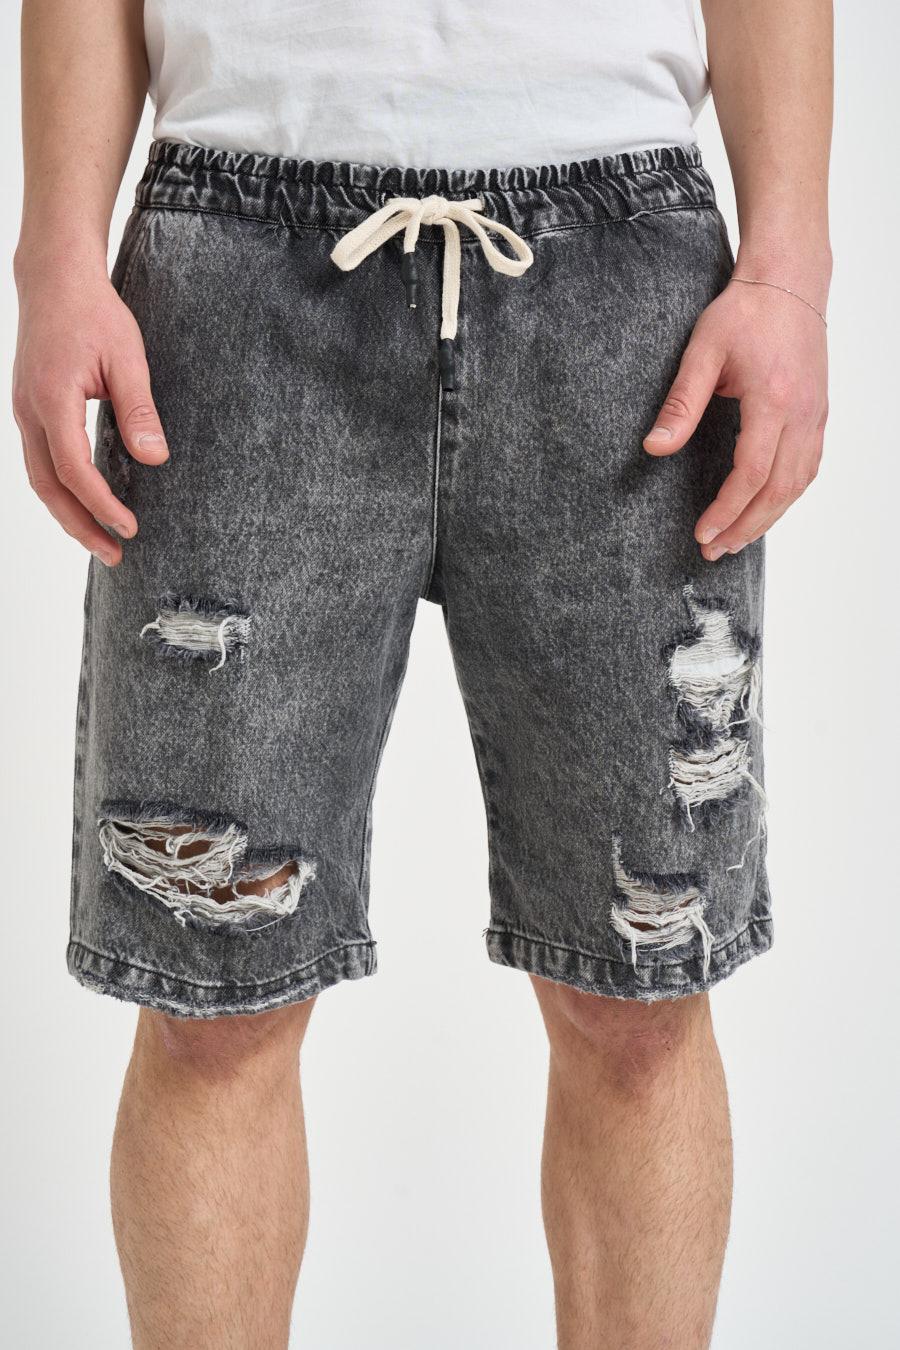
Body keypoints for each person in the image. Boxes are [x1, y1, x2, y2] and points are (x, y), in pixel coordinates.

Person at [12, 1, 832, 1346]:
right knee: (211, 999)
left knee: (640, 987)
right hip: (234, 266)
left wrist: (790, 269)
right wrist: (54, 254)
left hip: (624, 285)